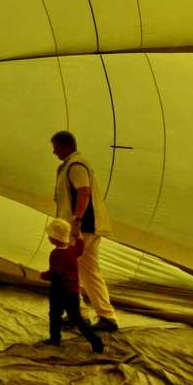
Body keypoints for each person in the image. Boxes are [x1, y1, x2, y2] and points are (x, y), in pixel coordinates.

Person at [51, 130, 119, 332]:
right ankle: (107, 317)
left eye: (56, 147)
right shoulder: (70, 165)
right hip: (86, 228)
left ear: (65, 146)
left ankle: (78, 315)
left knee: (66, 271)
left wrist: (77, 222)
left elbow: (83, 193)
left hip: (81, 229)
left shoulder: (76, 166)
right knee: (90, 272)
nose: (54, 152)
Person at [40, 220, 104, 351]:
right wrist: (79, 236)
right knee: (77, 318)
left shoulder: (56, 254)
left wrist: (44, 275)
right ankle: (94, 339)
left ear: (54, 238)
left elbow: (55, 273)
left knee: (55, 315)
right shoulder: (73, 251)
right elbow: (81, 247)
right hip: (73, 292)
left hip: (59, 291)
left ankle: (55, 338)